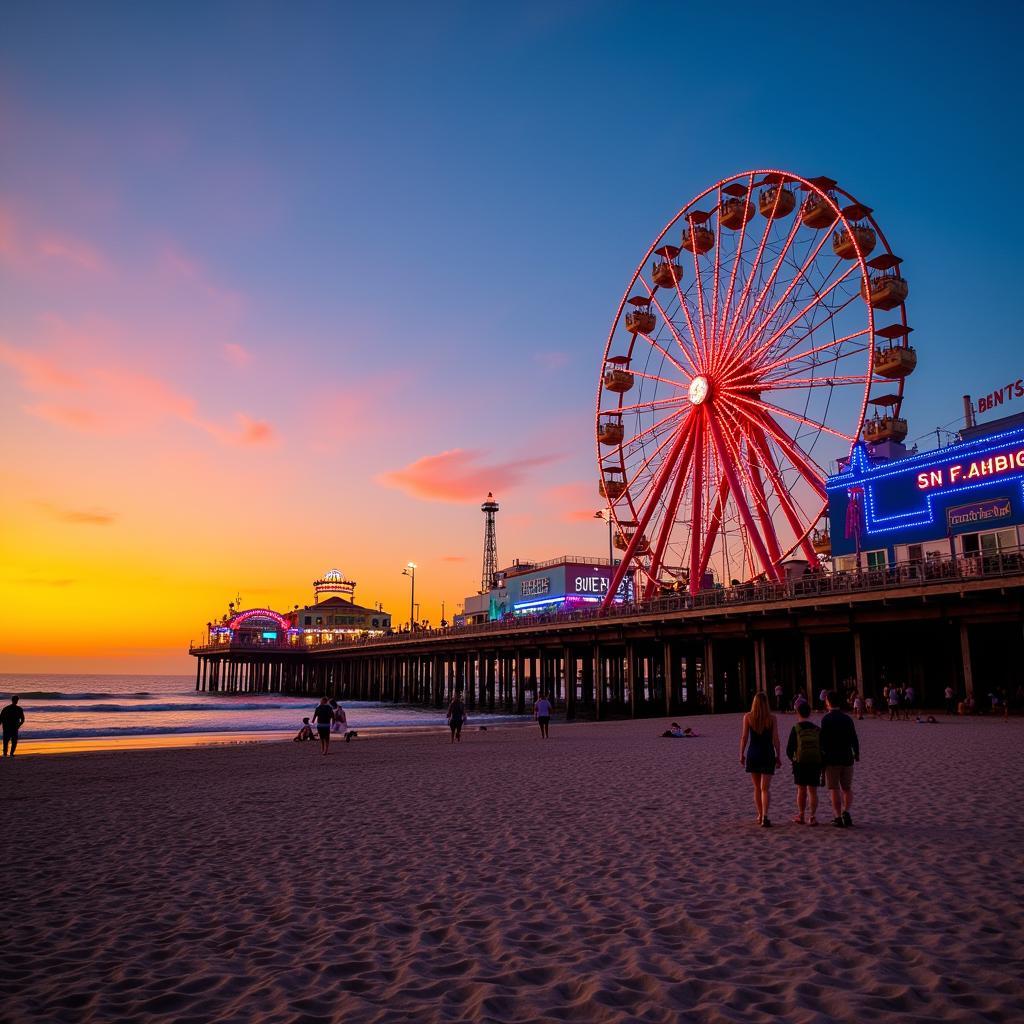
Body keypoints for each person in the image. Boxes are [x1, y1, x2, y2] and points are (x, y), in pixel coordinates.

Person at [739, 692, 781, 828]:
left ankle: (759, 814)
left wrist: (741, 754)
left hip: (753, 754)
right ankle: (765, 816)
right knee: (765, 788)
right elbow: (775, 739)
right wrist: (778, 755)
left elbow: (744, 737)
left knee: (757, 788)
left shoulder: (748, 717)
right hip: (767, 754)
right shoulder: (772, 718)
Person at [821, 690, 860, 828]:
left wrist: (822, 757)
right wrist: (857, 753)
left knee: (834, 788)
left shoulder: (826, 719)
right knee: (847, 788)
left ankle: (837, 817)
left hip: (832, 758)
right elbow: (854, 738)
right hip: (847, 757)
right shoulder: (847, 718)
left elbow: (823, 741)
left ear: (828, 702)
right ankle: (846, 812)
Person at [786, 702, 822, 825]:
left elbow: (789, 750)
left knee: (801, 790)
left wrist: (794, 760)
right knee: (813, 791)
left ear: (798, 713)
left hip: (800, 763)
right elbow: (822, 747)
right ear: (810, 713)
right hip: (815, 762)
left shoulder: (796, 728)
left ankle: (801, 815)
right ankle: (812, 817)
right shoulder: (817, 729)